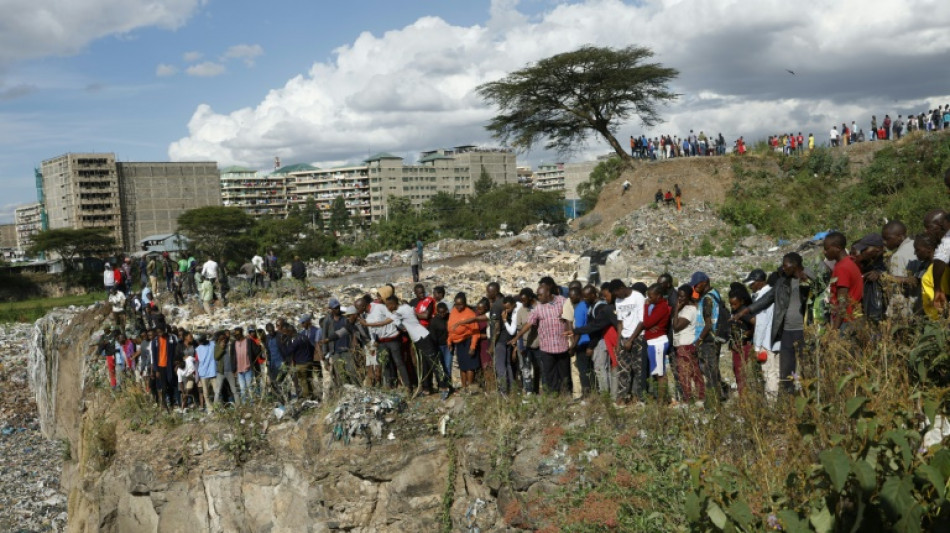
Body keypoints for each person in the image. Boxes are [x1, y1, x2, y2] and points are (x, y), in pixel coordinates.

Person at [384, 295, 450, 399]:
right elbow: (400, 324)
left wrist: (369, 324)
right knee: (423, 364)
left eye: (388, 305)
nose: (387, 307)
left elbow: (386, 321)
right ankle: (427, 388)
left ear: (393, 304)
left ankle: (444, 387)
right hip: (418, 340)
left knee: (434, 363)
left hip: (423, 337)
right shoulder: (401, 310)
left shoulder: (401, 310)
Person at [512, 284, 570, 395]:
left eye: (540, 295)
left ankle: (565, 395)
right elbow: (529, 324)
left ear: (548, 293)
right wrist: (517, 337)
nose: (538, 297)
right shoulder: (538, 308)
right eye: (537, 294)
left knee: (564, 374)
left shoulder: (562, 301)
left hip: (562, 346)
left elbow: (570, 316)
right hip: (547, 348)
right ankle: (554, 396)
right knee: (550, 374)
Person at [626, 284, 671, 403]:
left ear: (658, 296)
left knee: (660, 373)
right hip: (653, 342)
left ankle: (662, 400)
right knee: (656, 371)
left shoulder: (661, 307)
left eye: (651, 297)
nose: (648, 299)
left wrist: (646, 308)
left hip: (658, 342)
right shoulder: (655, 305)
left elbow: (647, 322)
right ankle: (660, 397)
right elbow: (649, 324)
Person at [690, 271, 727, 404]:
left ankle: (712, 401)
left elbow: (708, 324)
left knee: (709, 371)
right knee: (714, 369)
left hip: (708, 340)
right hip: (715, 338)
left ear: (704, 283)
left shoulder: (707, 299)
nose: (695, 288)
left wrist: (698, 341)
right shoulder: (715, 294)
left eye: (696, 285)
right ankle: (720, 395)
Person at [611, 279, 646, 404]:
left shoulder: (638, 297)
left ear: (621, 288)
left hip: (638, 337)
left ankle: (640, 398)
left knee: (639, 369)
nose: (616, 296)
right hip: (624, 338)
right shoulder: (618, 301)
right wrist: (618, 341)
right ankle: (622, 398)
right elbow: (620, 322)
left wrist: (631, 340)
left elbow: (642, 321)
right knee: (623, 370)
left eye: (616, 293)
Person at [824, 232, 863, 332]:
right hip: (852, 319)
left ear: (837, 248)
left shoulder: (842, 268)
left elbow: (842, 302)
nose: (824, 252)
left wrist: (834, 331)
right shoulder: (849, 262)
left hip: (846, 322)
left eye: (827, 249)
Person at [672, 284, 703, 403]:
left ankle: (688, 399)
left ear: (688, 297)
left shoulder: (689, 310)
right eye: (678, 296)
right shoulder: (684, 308)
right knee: (693, 372)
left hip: (685, 344)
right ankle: (698, 397)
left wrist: (676, 309)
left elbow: (676, 326)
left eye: (682, 297)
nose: (680, 299)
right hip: (683, 344)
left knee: (686, 373)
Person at [448, 292, 481, 391]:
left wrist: (472, 346)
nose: (458, 307)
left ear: (465, 303)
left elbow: (476, 332)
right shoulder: (453, 311)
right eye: (456, 304)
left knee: (469, 366)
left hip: (467, 341)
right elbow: (450, 328)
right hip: (458, 343)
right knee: (462, 366)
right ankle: (464, 387)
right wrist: (449, 341)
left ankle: (470, 386)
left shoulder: (470, 314)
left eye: (461, 304)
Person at [229, 327, 261, 405]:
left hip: (248, 368)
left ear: (241, 333)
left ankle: (252, 403)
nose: (236, 336)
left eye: (238, 335)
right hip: (239, 370)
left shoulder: (248, 341)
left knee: (249, 387)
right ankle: (244, 404)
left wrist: (260, 345)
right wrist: (233, 369)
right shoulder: (234, 343)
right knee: (242, 388)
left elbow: (256, 351)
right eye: (235, 335)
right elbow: (232, 356)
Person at [196, 333, 217, 412]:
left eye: (200, 341)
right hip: (203, 373)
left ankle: (217, 406)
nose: (200, 342)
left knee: (216, 391)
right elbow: (197, 361)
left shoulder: (212, 344)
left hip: (212, 371)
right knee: (206, 392)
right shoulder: (198, 349)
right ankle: (209, 408)